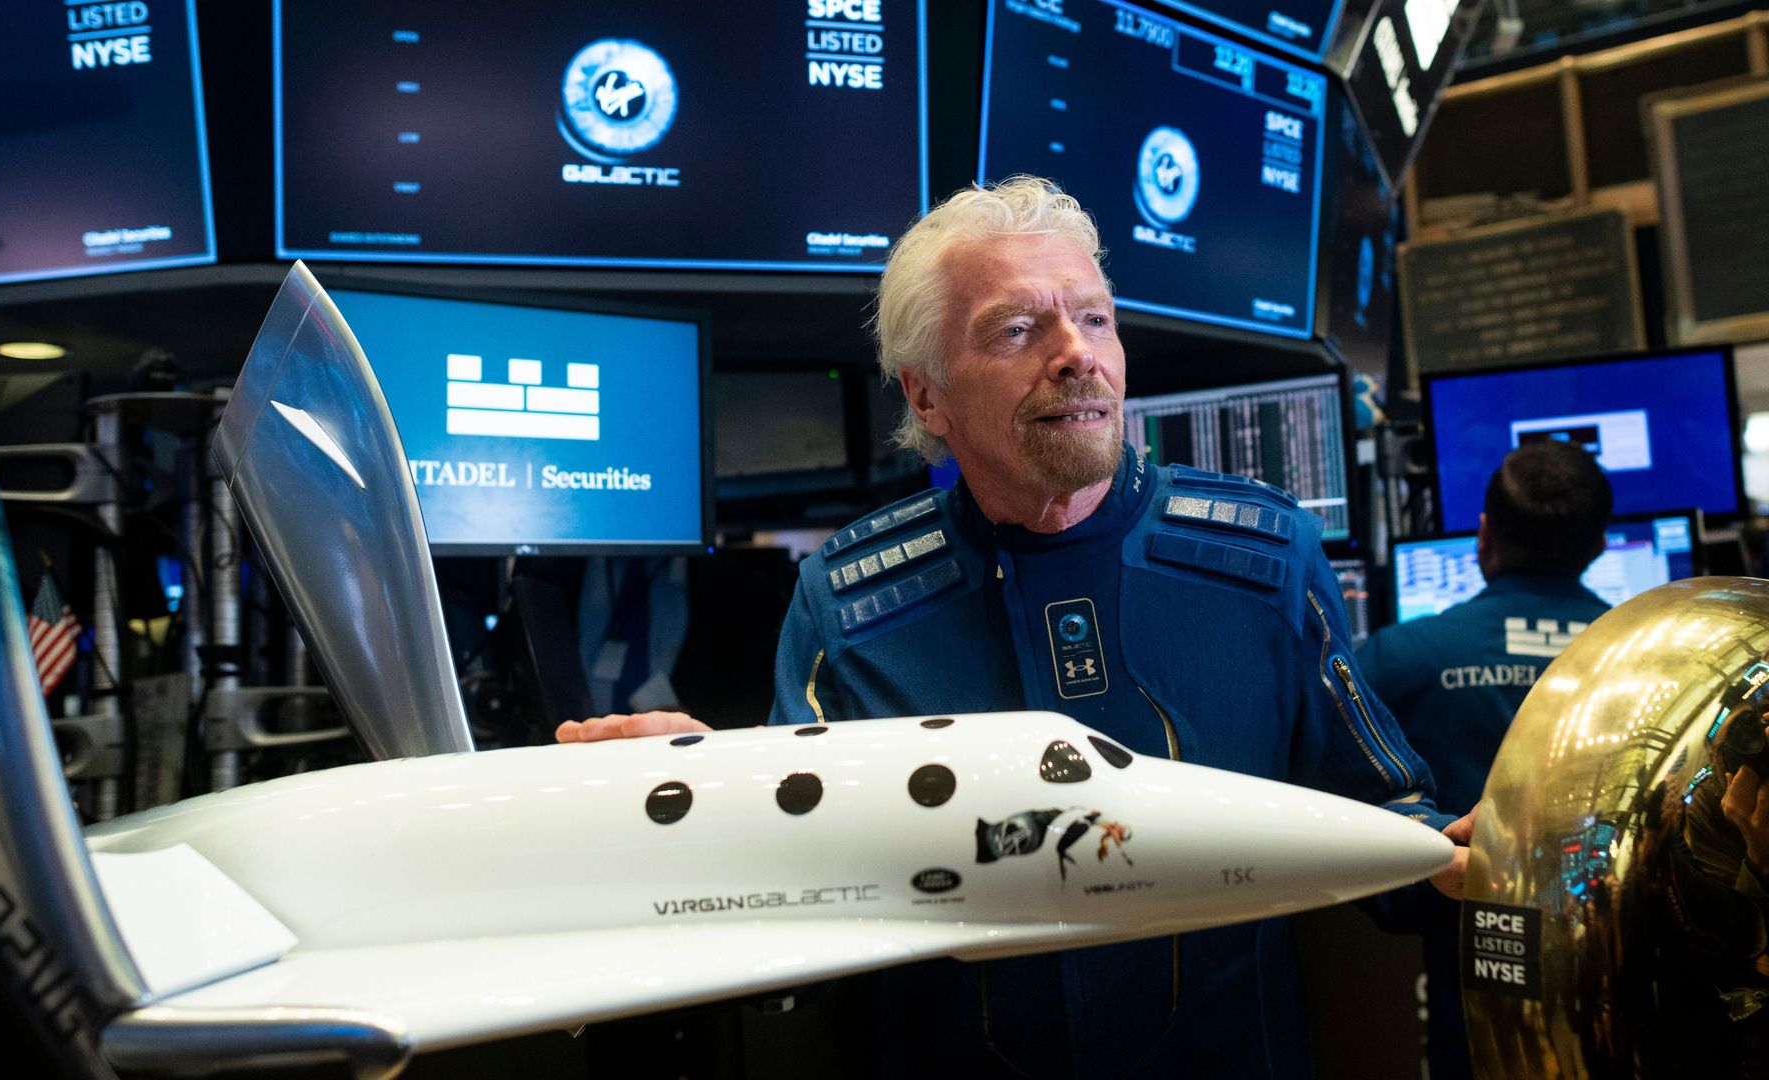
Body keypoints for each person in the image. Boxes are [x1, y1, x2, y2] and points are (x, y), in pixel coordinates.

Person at [559, 175, 1469, 1077]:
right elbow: (794, 878)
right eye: (1019, 329)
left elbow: (1385, 816)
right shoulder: (847, 601)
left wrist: (1470, 858)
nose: (1079, 354)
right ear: (928, 399)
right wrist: (688, 800)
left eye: (1097, 319)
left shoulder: (1265, 557)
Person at [1355, 439, 1614, 1080]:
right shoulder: (1653, 663)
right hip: (1623, 974)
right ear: (1601, 545)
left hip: (1469, 983)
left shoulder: (1397, 658)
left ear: (1484, 535)